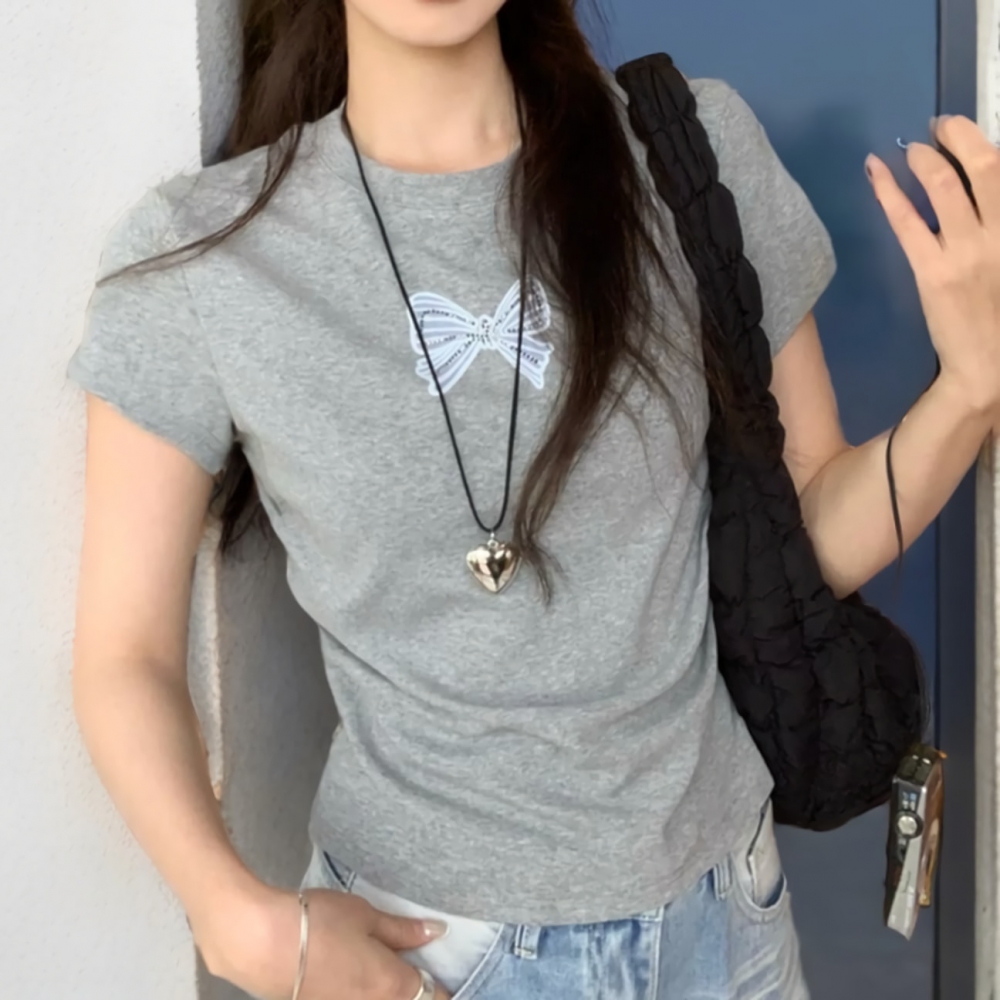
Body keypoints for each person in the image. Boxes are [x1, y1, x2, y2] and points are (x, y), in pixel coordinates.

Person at [65, 1, 1000, 998]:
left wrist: (970, 391)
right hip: (429, 953)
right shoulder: (208, 259)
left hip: (727, 926)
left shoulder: (689, 153)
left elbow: (808, 531)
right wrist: (234, 921)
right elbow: (126, 656)